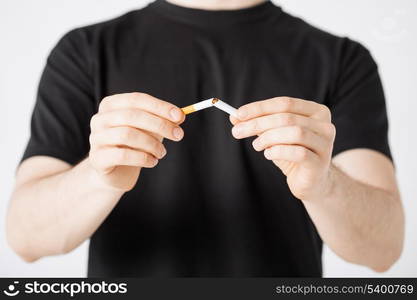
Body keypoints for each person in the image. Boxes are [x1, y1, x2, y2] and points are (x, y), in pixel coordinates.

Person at [6, 0, 404, 277]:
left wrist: (324, 184)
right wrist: (97, 177)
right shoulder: (85, 51)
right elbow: (26, 239)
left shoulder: (342, 59)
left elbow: (383, 250)